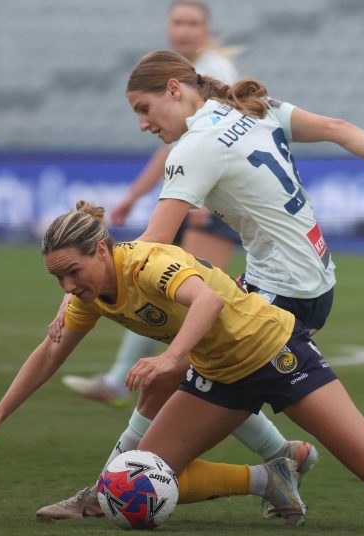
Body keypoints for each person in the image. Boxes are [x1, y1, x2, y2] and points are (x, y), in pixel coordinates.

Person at [0, 202, 364, 527]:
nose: (69, 287)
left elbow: (205, 298)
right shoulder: (90, 294)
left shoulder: (148, 263)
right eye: (58, 279)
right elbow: (50, 350)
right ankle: (272, 477)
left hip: (276, 352)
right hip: (220, 374)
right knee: (146, 474)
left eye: (73, 272)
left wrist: (172, 359)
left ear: (101, 250)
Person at [33, 49, 364, 520]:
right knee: (193, 378)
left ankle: (104, 495)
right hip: (311, 279)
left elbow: (153, 243)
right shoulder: (252, 109)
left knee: (177, 374)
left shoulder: (194, 147)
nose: (143, 124)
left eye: (144, 109)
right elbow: (337, 128)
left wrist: (87, 290)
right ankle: (281, 462)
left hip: (283, 292)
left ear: (174, 90)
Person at [62, 0, 242, 406]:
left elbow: (217, 141)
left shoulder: (214, 71)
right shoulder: (174, 81)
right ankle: (138, 378)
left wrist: (199, 207)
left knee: (181, 295)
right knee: (155, 283)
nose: (184, 29)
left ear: (207, 28)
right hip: (192, 195)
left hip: (208, 203)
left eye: (193, 22)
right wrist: (133, 195)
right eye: (178, 21)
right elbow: (174, 148)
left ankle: (189, 381)